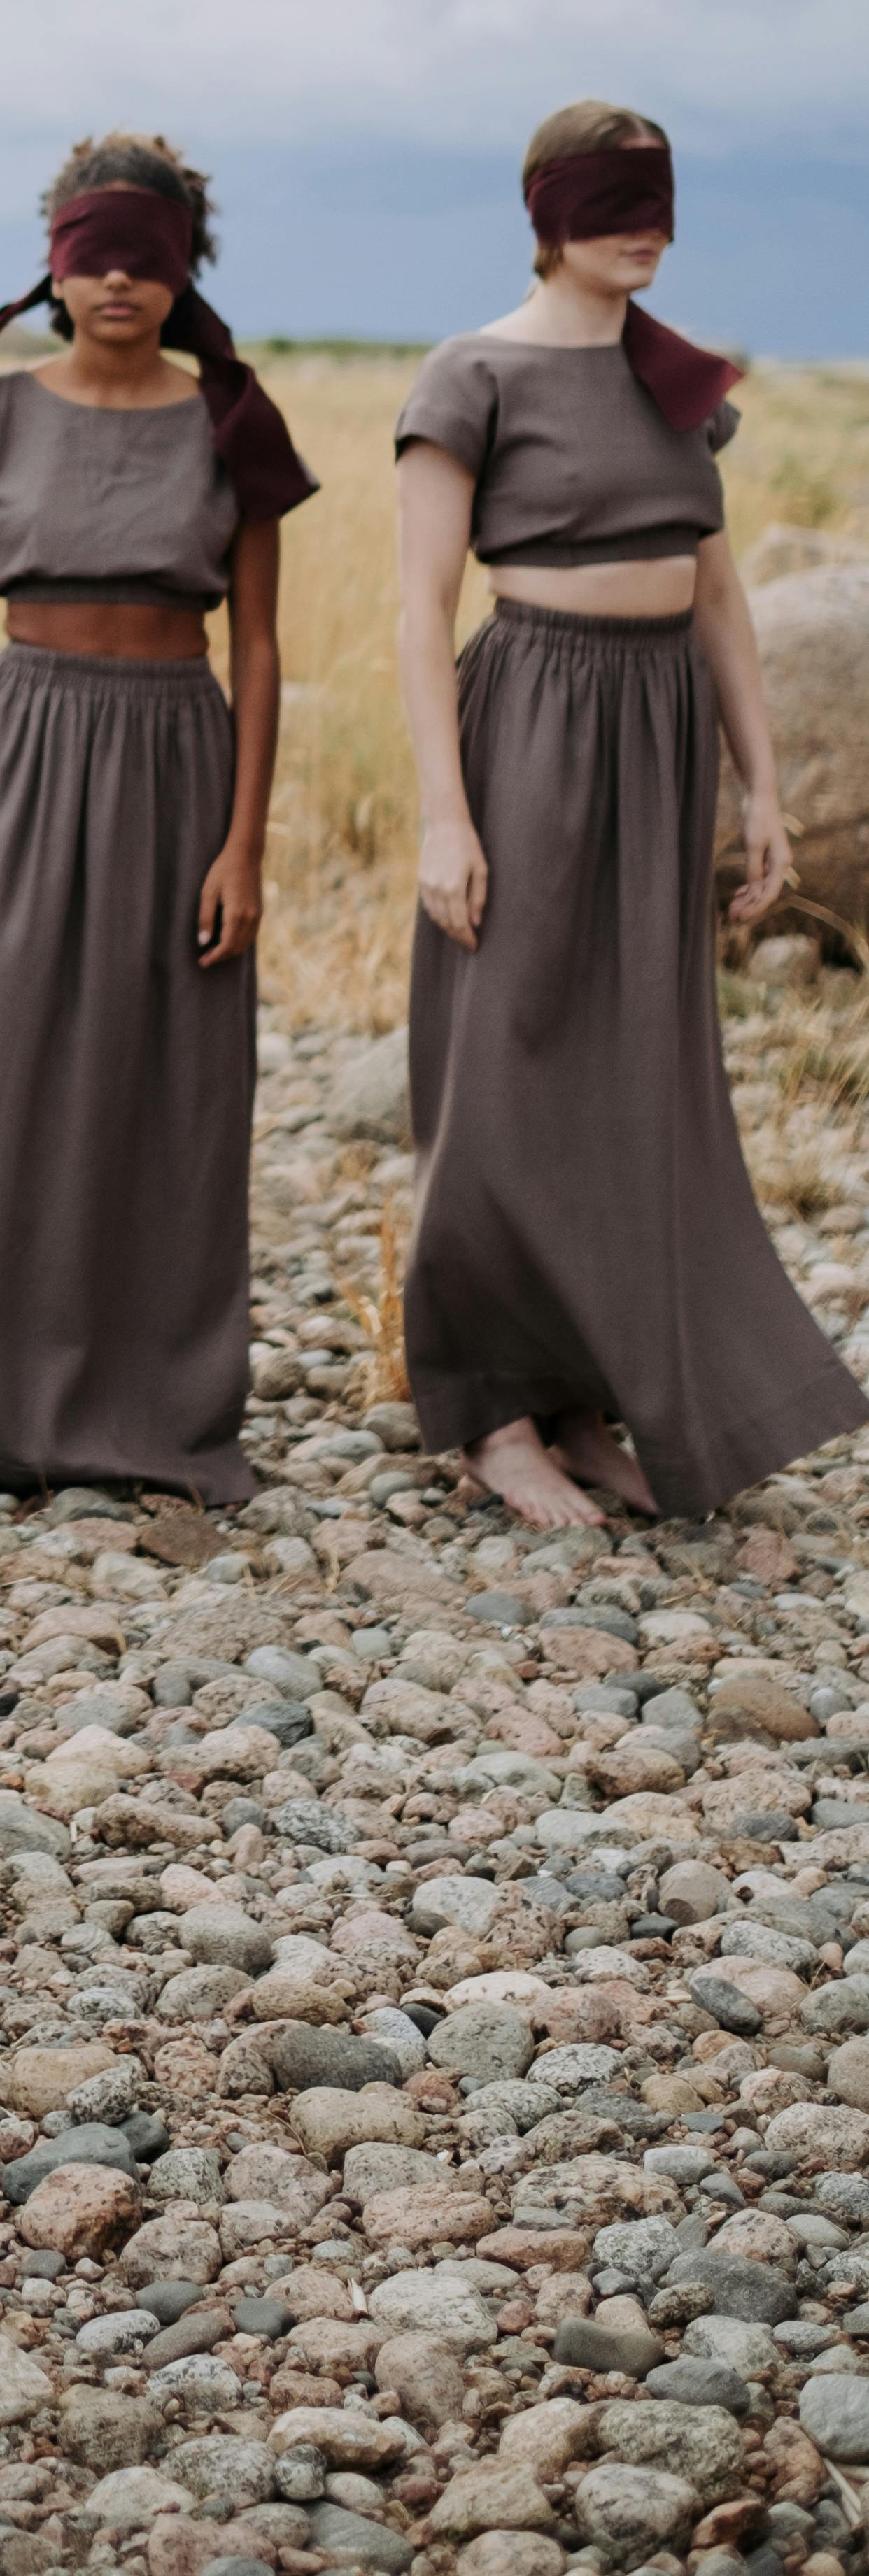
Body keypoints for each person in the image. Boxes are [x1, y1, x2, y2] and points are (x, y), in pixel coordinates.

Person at [395, 101, 861, 1528]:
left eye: (653, 197)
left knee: (635, 1067)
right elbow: (416, 605)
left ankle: (591, 1397)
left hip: (659, 737)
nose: (639, 223)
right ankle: (488, 1408)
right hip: (531, 720)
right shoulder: (468, 372)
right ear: (544, 209)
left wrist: (764, 788)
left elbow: (716, 590)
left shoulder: (677, 379)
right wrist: (440, 815)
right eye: (608, 199)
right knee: (511, 1059)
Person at [0, 134, 315, 1500]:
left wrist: (244, 840)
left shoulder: (234, 418)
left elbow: (265, 651)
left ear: (182, 266)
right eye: (92, 250)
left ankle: (136, 1395)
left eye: (146, 253)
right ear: (52, 259)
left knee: (150, 1078)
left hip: (177, 755)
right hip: (18, 750)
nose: (117, 278)